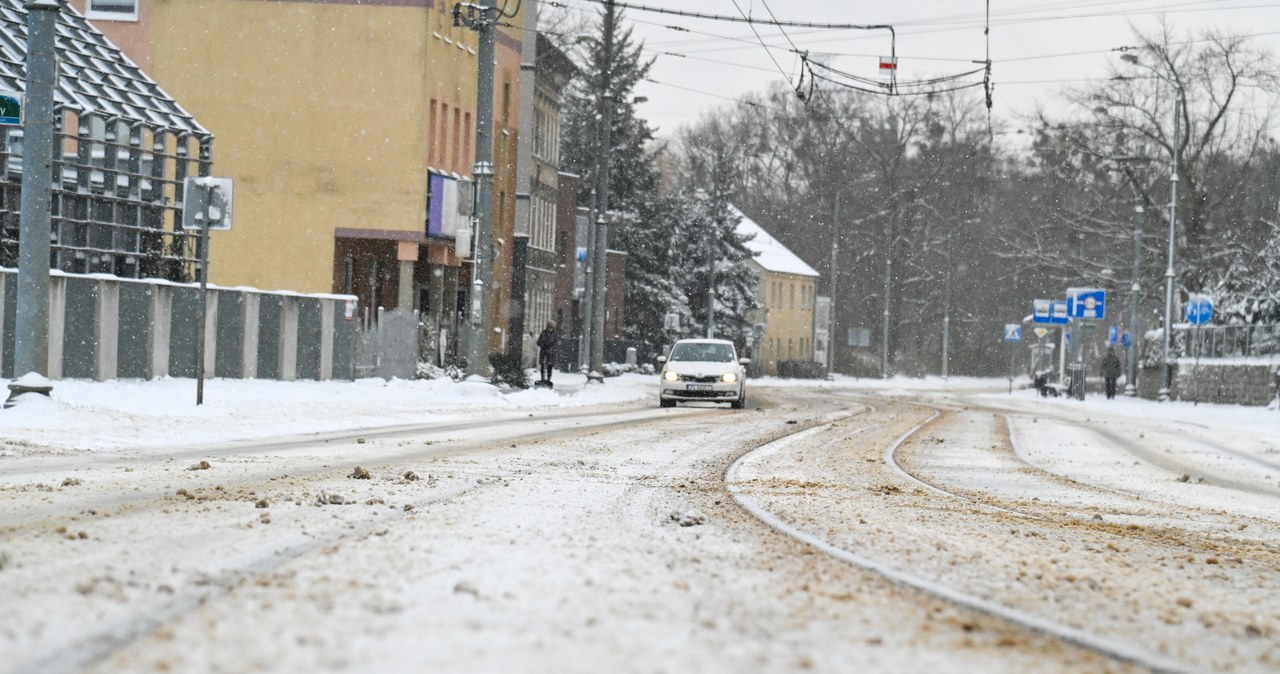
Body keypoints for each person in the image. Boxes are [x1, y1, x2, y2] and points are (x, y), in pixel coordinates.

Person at [536, 320, 558, 386]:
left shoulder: (555, 334)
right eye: (549, 327)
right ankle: (542, 378)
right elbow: (538, 342)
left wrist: (550, 350)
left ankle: (548, 379)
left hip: (551, 354)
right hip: (543, 352)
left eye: (551, 327)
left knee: (549, 366)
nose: (550, 329)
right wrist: (543, 345)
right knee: (542, 365)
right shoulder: (543, 333)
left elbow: (556, 344)